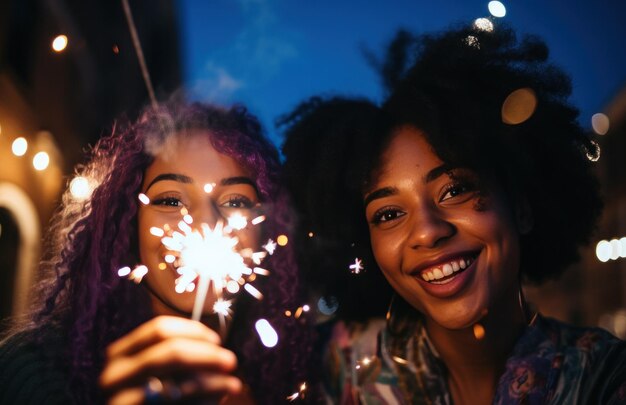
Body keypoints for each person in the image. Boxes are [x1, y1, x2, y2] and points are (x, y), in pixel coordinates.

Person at [281, 23, 626, 404]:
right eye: (389, 213)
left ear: (522, 207)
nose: (427, 232)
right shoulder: (337, 371)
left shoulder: (603, 378)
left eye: (456, 190)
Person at [0, 101, 314, 404]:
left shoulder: (294, 377)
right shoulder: (35, 369)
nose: (203, 224)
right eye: (170, 200)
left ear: (266, 229)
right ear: (128, 223)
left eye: (235, 202)